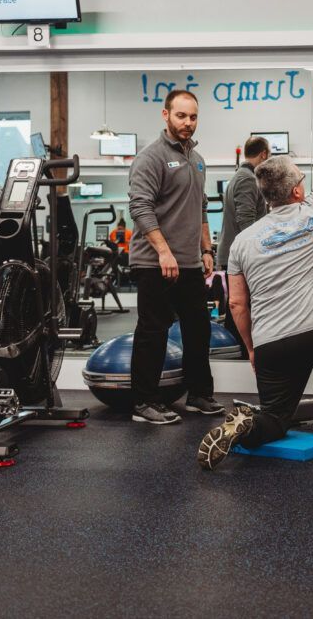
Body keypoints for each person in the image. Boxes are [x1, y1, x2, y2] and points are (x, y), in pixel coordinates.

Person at [197, 96, 313, 470]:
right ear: (297, 192)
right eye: (302, 181)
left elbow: (238, 305)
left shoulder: (242, 241)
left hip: (272, 344)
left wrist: (253, 349)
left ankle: (242, 424)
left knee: (275, 420)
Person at [127, 89, 223, 425]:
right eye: (181, 116)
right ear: (165, 115)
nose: (188, 123)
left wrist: (207, 249)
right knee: (154, 330)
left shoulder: (197, 160)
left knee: (199, 329)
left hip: (189, 262)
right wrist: (164, 251)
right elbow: (140, 207)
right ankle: (144, 402)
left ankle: (198, 394)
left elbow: (201, 210)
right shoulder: (150, 157)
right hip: (155, 262)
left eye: (193, 117)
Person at [216, 136, 270, 357]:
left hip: (235, 253)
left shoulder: (240, 176)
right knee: (241, 306)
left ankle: (236, 350)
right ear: (264, 155)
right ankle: (240, 351)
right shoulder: (247, 179)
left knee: (238, 305)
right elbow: (245, 221)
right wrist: (259, 253)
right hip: (241, 255)